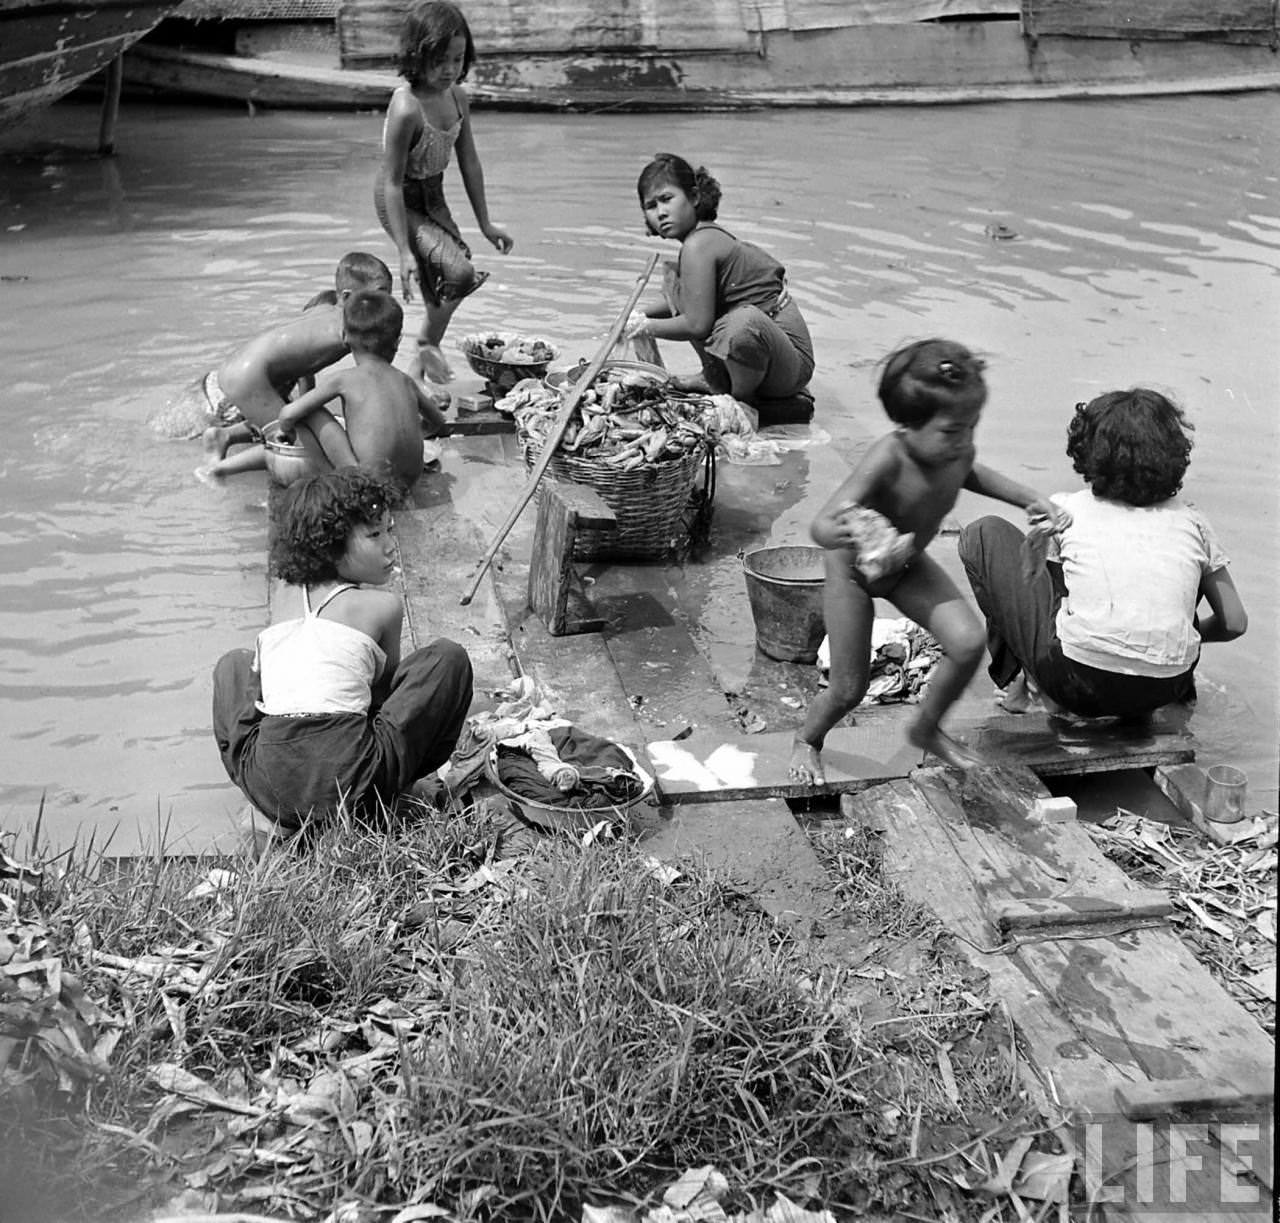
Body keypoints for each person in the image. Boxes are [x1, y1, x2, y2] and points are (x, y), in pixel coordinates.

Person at [788, 339, 1063, 782]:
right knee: (847, 689)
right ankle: (807, 740)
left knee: (968, 642)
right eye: (953, 432)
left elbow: (971, 472)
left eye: (972, 427)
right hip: (854, 575)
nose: (964, 443)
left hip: (906, 567)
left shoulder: (956, 451)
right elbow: (821, 525)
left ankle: (926, 726)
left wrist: (1028, 497)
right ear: (907, 426)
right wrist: (840, 530)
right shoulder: (888, 456)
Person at [959, 388, 1247, 721]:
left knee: (984, 534)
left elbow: (1040, 598)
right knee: (1175, 575)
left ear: (1087, 450)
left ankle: (1018, 690)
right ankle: (1160, 695)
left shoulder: (1066, 509)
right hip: (1166, 689)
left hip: (1076, 685)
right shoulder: (1193, 521)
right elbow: (1234, 623)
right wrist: (1180, 639)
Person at [212, 468, 474, 833]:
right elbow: (380, 703)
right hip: (353, 787)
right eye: (374, 534)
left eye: (389, 531)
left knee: (234, 665)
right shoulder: (382, 606)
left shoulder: (286, 595)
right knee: (447, 658)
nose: (389, 545)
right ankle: (395, 793)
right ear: (331, 545)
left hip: (270, 786)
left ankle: (270, 811)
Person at [374, 0, 513, 386]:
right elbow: (391, 182)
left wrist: (486, 223)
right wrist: (403, 252)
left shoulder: (457, 97)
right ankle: (423, 346)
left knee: (454, 278)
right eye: (439, 61)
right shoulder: (406, 109)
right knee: (457, 270)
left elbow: (469, 160)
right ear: (417, 57)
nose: (449, 69)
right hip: (399, 197)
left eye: (457, 59)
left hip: (432, 194)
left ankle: (417, 368)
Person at [628, 153, 815, 426]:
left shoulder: (700, 244)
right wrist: (635, 315)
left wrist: (644, 327)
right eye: (651, 206)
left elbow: (696, 324)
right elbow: (686, 300)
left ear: (693, 197)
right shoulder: (695, 243)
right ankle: (716, 377)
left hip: (789, 365)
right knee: (673, 283)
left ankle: (741, 402)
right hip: (765, 353)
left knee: (741, 323)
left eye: (667, 199)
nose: (661, 212)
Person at [199, 290, 449, 491]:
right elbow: (439, 422)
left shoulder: (343, 379)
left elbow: (287, 414)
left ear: (346, 338)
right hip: (408, 484)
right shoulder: (406, 381)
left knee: (310, 413)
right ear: (398, 341)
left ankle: (330, 482)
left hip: (367, 487)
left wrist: (288, 432)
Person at [176, 252, 396, 466]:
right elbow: (373, 378)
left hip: (240, 365)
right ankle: (217, 471)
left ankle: (225, 436)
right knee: (306, 454)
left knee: (299, 423)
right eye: (380, 294)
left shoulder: (323, 310)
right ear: (347, 297)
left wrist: (307, 403)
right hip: (249, 376)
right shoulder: (352, 327)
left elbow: (304, 363)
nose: (388, 302)